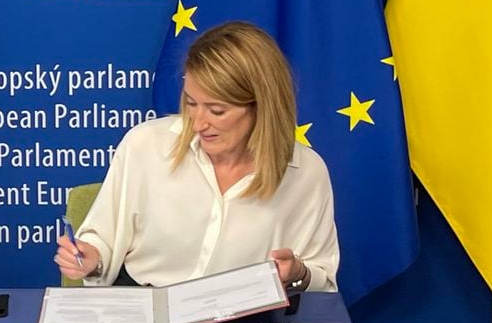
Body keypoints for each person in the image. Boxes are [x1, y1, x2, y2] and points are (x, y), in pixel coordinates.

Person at [55, 22, 339, 291]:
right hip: (147, 308)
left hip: (246, 317)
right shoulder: (145, 144)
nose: (199, 123)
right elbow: (102, 241)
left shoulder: (305, 172)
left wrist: (298, 274)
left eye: (217, 111)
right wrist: (92, 258)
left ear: (262, 108)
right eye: (191, 103)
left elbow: (322, 280)